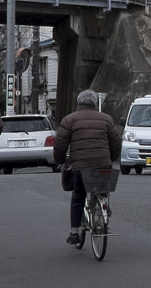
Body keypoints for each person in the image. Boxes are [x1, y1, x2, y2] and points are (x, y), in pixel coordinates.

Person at [52, 89, 121, 246]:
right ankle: (103, 211)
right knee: (102, 192)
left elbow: (60, 144)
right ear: (95, 103)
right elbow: (116, 143)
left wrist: (60, 161)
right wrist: (110, 158)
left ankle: (75, 232)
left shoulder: (70, 120)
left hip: (80, 167)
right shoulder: (107, 119)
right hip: (103, 164)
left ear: (79, 103)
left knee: (78, 196)